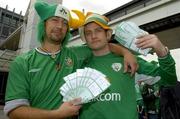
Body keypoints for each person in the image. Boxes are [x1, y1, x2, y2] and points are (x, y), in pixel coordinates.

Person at [4, 1, 138, 119]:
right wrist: (58, 114)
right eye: (54, 20)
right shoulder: (23, 62)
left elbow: (103, 44)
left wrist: (126, 53)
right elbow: (14, 111)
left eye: (65, 23)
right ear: (43, 24)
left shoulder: (76, 54)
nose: (60, 26)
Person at [76, 12, 177, 119]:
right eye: (88, 33)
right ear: (85, 38)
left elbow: (169, 80)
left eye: (98, 30)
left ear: (108, 34)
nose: (93, 36)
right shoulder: (77, 63)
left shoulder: (130, 61)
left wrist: (161, 51)